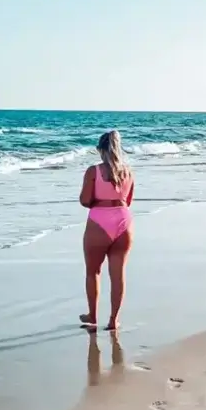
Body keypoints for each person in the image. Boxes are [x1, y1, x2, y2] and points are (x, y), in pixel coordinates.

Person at [79, 130, 134, 330]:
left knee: (93, 271)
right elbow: (127, 201)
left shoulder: (93, 171)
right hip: (123, 221)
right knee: (118, 274)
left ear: (100, 149)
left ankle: (93, 316)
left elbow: (85, 201)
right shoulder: (128, 171)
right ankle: (114, 320)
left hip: (99, 221)